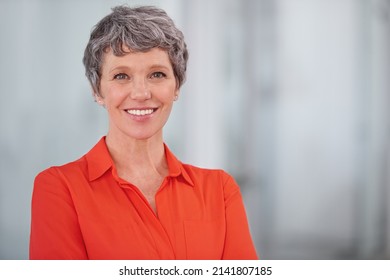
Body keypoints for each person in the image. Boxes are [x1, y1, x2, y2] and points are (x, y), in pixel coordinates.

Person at [29, 5, 258, 260]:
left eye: (157, 74)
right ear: (97, 90)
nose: (140, 93)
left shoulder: (219, 191)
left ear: (177, 86)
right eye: (121, 76)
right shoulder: (60, 189)